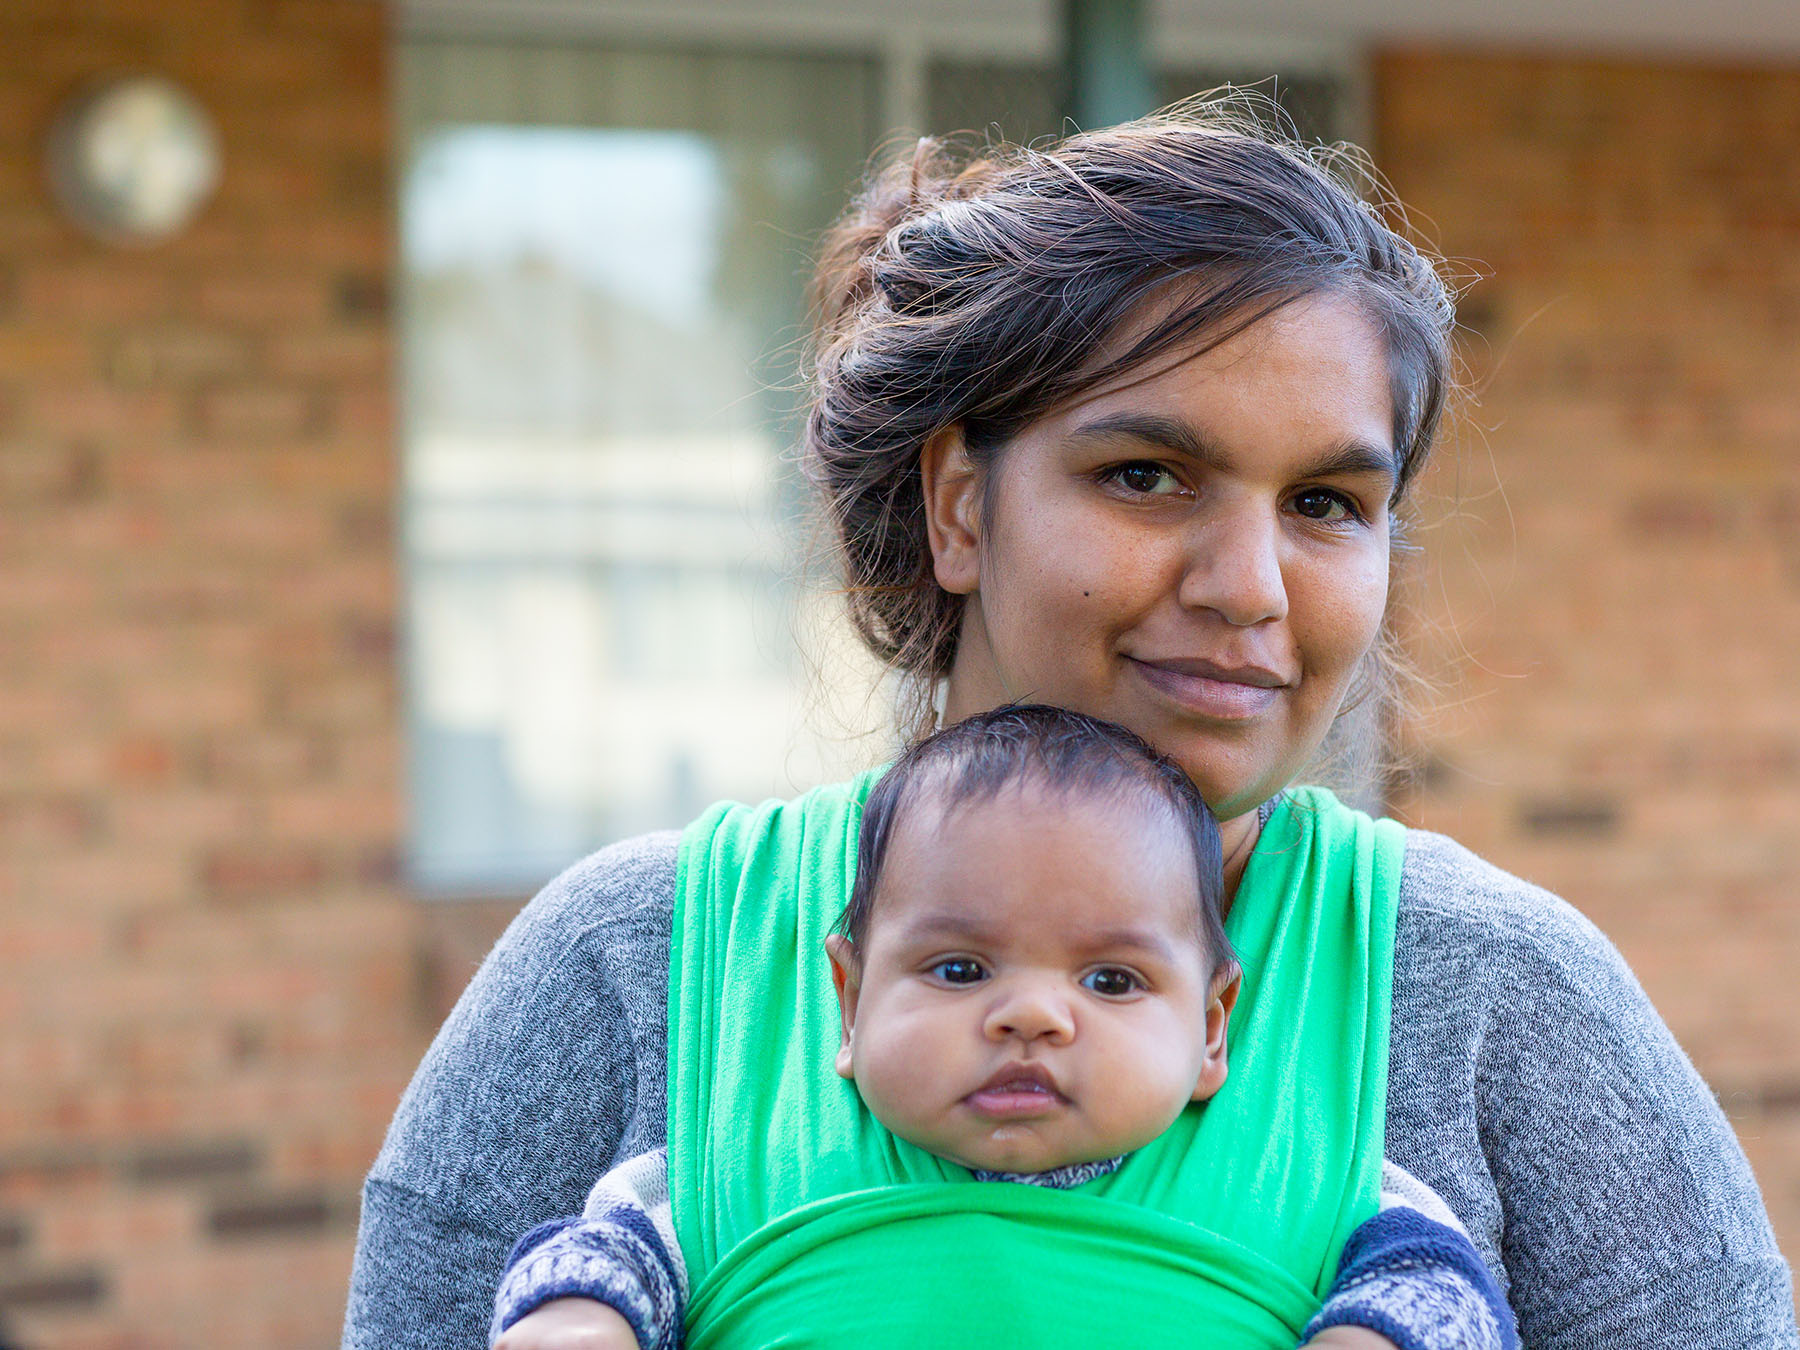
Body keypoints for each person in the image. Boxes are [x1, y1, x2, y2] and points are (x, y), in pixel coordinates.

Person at [342, 101, 1797, 1350]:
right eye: (1151, 474)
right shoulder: (631, 966)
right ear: (961, 504)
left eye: (1325, 506)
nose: (1249, 588)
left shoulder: (1495, 995)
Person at [485, 706, 1514, 1350]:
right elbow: (605, 1259)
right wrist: (580, 1317)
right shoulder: (737, 1172)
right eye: (960, 969)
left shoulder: (1314, 1187)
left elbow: (1439, 1289)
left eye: (1111, 979)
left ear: (1212, 1029)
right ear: (848, 1002)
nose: (1028, 1013)